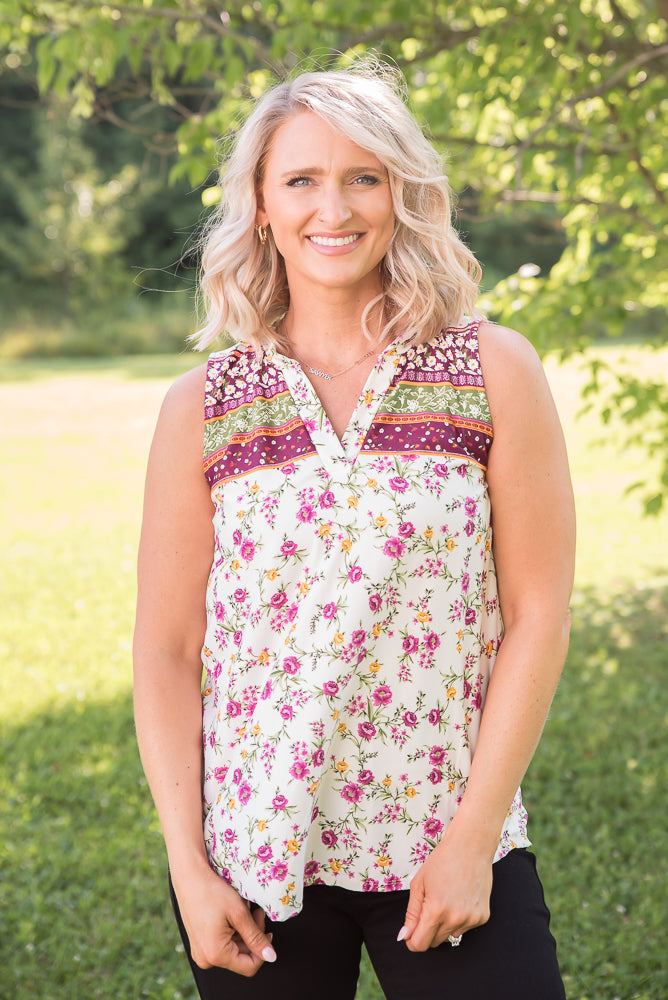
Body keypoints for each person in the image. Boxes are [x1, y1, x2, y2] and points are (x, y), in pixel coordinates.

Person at [133, 60, 575, 1000]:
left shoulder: (492, 367)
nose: (332, 208)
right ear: (259, 202)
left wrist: (472, 842)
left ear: (400, 193)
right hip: (258, 859)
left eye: (362, 176)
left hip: (445, 839)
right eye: (300, 179)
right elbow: (168, 652)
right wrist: (190, 868)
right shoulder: (202, 406)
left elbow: (538, 613)